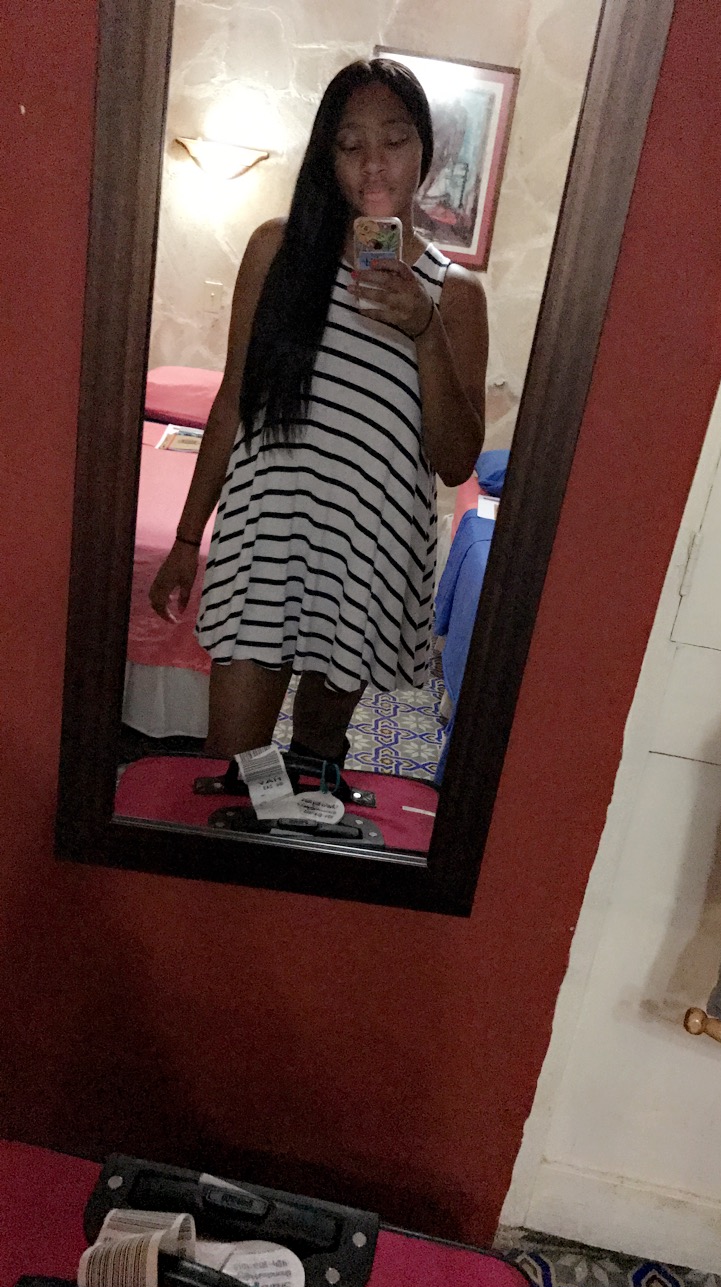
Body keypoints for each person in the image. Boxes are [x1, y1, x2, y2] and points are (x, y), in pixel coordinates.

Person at [149, 57, 488, 796]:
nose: (373, 163)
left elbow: (456, 463)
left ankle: (290, 849)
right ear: (326, 158)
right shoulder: (277, 251)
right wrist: (185, 539)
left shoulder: (455, 296)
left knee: (316, 758)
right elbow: (233, 401)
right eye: (350, 143)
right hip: (266, 535)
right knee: (229, 760)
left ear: (425, 152)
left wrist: (425, 329)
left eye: (394, 140)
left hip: (369, 552)